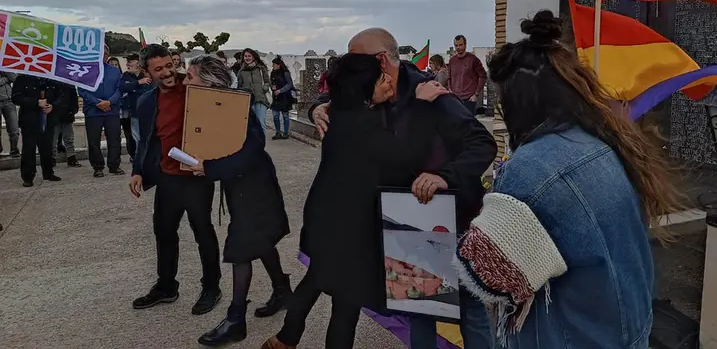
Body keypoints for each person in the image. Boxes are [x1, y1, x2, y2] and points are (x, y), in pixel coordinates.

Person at [455, 11, 686, 348]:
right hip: (624, 329)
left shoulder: (531, 167)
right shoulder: (604, 142)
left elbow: (487, 276)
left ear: (519, 101)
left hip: (568, 335)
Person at [306, 28, 497, 349]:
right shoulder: (373, 89)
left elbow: (482, 143)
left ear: (380, 61)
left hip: (450, 219)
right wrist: (318, 105)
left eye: (356, 61)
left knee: (470, 312)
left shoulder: (432, 94)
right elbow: (341, 92)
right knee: (420, 311)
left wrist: (444, 177)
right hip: (403, 222)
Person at [260, 53, 449, 349]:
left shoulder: (344, 115)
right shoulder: (365, 127)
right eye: (381, 78)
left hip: (328, 219)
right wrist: (423, 106)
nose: (389, 80)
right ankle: (286, 338)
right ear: (364, 89)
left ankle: (285, 339)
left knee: (317, 279)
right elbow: (409, 157)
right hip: (352, 229)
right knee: (346, 304)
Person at [180, 55, 291, 346]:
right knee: (261, 241)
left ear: (208, 80)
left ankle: (235, 320)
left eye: (190, 76)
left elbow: (252, 150)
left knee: (240, 249)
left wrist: (209, 168)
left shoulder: (234, 105)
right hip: (239, 186)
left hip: (255, 188)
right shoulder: (207, 106)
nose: (185, 81)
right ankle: (282, 290)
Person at [129, 44, 221, 316]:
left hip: (196, 176)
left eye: (170, 65)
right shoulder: (146, 102)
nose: (168, 72)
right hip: (167, 178)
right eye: (159, 69)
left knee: (202, 232)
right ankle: (167, 286)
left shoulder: (196, 87)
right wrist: (137, 170)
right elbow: (145, 141)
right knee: (164, 231)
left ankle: (211, 286)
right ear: (147, 72)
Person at [79, 54, 124, 177]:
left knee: (114, 139)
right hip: (93, 111)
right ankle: (97, 167)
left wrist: (110, 102)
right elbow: (82, 90)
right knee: (94, 141)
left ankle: (114, 165)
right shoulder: (85, 69)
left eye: (104, 53)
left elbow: (120, 89)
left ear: (107, 56)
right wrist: (97, 103)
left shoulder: (114, 71)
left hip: (111, 110)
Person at [12, 74, 61, 187]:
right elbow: (16, 98)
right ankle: (28, 176)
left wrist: (52, 106)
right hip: (30, 120)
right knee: (29, 149)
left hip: (48, 119)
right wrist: (36, 102)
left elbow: (60, 97)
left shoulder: (51, 79)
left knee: (47, 146)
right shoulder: (23, 78)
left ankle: (48, 172)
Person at [120, 54, 153, 161]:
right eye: (127, 62)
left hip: (146, 112)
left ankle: (145, 156)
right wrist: (138, 83)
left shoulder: (147, 75)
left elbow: (147, 91)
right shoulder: (125, 75)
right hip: (132, 112)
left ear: (138, 64)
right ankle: (138, 157)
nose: (127, 65)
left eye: (130, 62)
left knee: (147, 136)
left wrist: (133, 89)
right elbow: (122, 87)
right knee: (135, 137)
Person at [447, 35, 487, 115]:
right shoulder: (452, 61)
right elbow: (449, 77)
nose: (458, 47)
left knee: (468, 125)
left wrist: (476, 94)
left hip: (469, 99)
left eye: (460, 45)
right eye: (456, 45)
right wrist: (450, 90)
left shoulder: (473, 59)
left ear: (465, 45)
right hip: (456, 98)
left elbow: (483, 76)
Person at [236, 48, 271, 134]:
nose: (247, 58)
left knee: (261, 124)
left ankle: (261, 146)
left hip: (260, 100)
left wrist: (264, 88)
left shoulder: (261, 69)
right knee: (250, 126)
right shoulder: (241, 72)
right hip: (248, 101)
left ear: (253, 57)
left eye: (249, 56)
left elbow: (267, 81)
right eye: (245, 56)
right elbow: (239, 86)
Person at [52, 83, 82, 168]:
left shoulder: (69, 84)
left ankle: (71, 157)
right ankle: (52, 159)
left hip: (67, 114)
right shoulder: (50, 82)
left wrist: (72, 111)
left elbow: (74, 99)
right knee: (52, 140)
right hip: (54, 115)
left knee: (69, 138)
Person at [270, 56, 294, 140]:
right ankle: (278, 132)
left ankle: (286, 132)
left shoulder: (285, 73)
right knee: (275, 115)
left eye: (274, 64)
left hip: (285, 97)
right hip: (276, 97)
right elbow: (271, 82)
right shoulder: (272, 73)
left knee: (285, 115)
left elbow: (289, 84)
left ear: (278, 65)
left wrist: (280, 90)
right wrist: (272, 87)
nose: (272, 66)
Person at [0, 72, 20, 158]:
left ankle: (14, 149)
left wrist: (4, 71)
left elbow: (15, 78)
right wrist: (5, 79)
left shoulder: (4, 67)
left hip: (9, 101)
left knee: (14, 128)